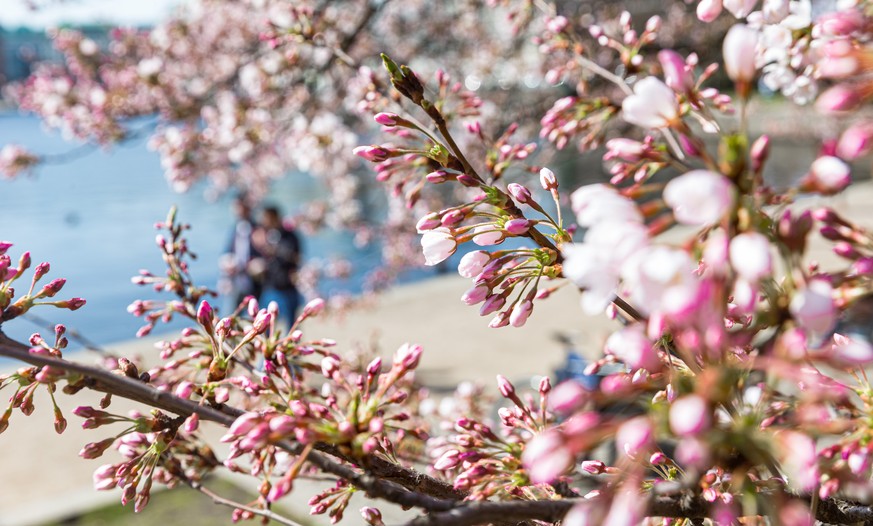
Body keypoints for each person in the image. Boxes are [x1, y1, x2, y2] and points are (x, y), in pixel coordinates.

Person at [251, 205, 303, 325]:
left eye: (266, 218)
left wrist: (275, 250)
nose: (264, 221)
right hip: (270, 287)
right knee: (265, 324)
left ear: (274, 217)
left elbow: (296, 257)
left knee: (292, 326)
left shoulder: (290, 236)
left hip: (288, 288)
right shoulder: (265, 235)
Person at [218, 195, 262, 307]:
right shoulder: (235, 228)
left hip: (254, 281)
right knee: (230, 314)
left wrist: (257, 263)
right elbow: (228, 250)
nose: (237, 210)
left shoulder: (258, 228)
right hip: (236, 280)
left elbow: (264, 253)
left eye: (239, 207)